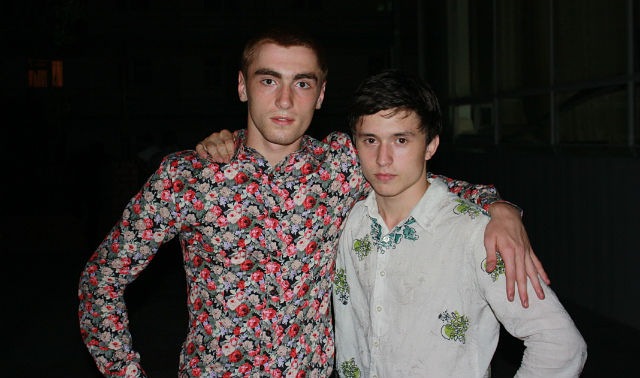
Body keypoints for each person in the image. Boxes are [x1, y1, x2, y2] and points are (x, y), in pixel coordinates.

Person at [79, 27, 546, 377]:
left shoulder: (342, 164)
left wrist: (500, 208)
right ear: (242, 86)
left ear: (320, 94)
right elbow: (100, 281)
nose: (285, 100)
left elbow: (419, 180)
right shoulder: (189, 176)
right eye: (268, 81)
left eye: (302, 83)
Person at [331, 69, 587, 377]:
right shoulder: (347, 222)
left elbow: (560, 343)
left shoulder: (476, 234)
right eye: (370, 140)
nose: (383, 158)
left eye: (401, 140)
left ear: (430, 145)